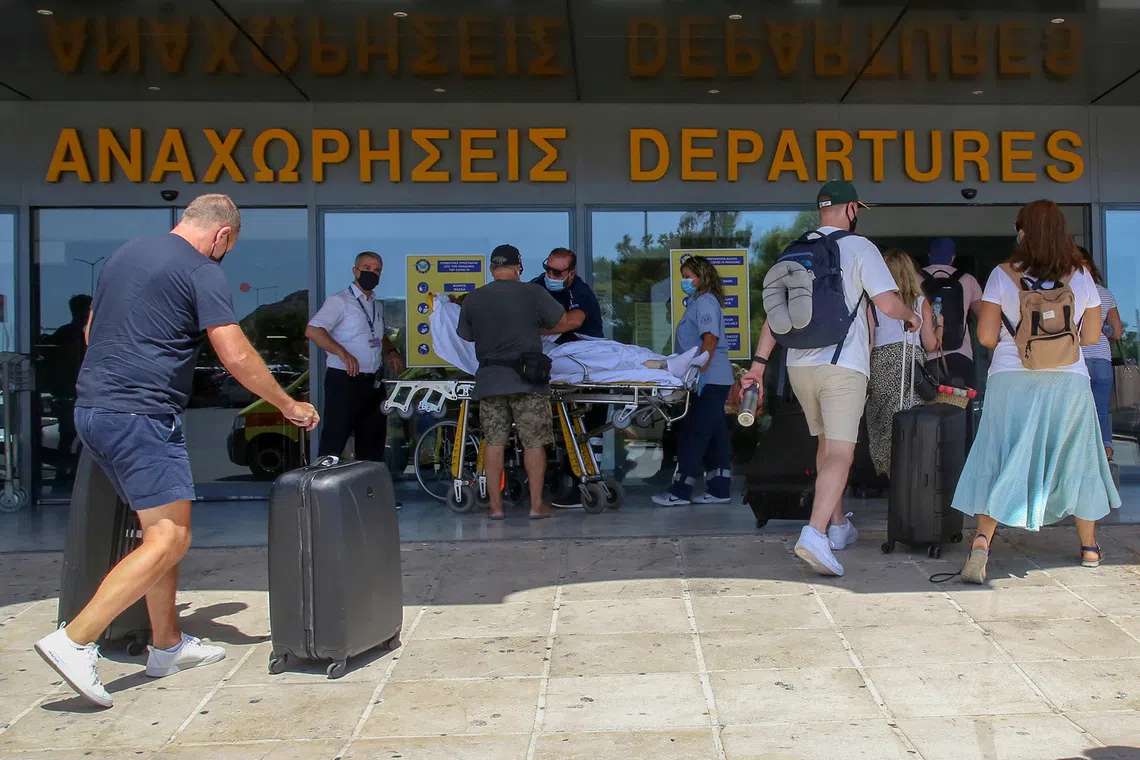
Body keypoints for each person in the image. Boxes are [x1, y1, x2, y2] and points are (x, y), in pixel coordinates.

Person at [34, 194, 319, 708]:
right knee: (170, 537)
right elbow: (232, 352)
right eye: (227, 248)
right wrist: (285, 403)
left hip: (94, 410)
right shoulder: (201, 270)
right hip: (140, 416)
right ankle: (75, 641)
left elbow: (91, 329)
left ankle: (165, 644)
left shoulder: (127, 255)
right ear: (222, 236)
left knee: (158, 530)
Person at [742, 180, 918, 577]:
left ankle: (838, 526)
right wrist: (914, 317)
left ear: (821, 209)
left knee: (825, 444)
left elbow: (775, 314)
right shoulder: (859, 247)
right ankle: (815, 534)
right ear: (851, 209)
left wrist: (757, 365)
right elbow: (888, 304)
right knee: (842, 452)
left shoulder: (794, 249)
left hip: (798, 366)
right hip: (842, 365)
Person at [954, 200, 1120, 584]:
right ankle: (1090, 546)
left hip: (1012, 380)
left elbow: (986, 337)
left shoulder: (1002, 274)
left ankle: (982, 541)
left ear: (1024, 231)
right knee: (1078, 458)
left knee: (1000, 454)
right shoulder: (1081, 277)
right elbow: (1093, 336)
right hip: (1068, 382)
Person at [457, 244, 576, 520]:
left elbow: (466, 335)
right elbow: (561, 320)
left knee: (494, 441)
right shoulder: (533, 293)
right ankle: (536, 506)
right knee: (534, 442)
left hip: (490, 381)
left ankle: (496, 507)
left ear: (491, 268)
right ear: (518, 266)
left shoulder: (474, 298)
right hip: (528, 380)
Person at [306, 252, 405, 466]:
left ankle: (369, 497)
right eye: (367, 268)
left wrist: (391, 351)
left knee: (372, 444)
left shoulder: (376, 305)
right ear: (355, 271)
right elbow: (313, 330)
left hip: (372, 383)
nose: (372, 273)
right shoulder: (340, 301)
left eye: (377, 270)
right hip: (344, 381)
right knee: (335, 440)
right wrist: (343, 353)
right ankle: (320, 494)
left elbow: (378, 336)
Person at [652, 255, 734, 506]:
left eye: (688, 277)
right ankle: (720, 488)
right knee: (715, 433)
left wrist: (698, 370)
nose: (684, 281)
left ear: (701, 277)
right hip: (712, 378)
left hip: (708, 379)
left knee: (693, 433)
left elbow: (710, 339)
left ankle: (680, 490)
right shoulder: (698, 302)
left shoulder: (705, 302)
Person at [530, 247, 607, 507]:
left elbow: (573, 321)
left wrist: (535, 330)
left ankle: (587, 484)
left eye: (557, 271)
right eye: (547, 268)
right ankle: (565, 481)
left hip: (588, 366)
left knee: (588, 431)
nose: (550, 274)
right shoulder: (537, 286)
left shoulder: (580, 292)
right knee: (562, 431)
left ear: (571, 273)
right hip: (559, 367)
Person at [865, 250, 940, 477]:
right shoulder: (920, 303)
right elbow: (930, 344)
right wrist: (941, 326)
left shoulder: (873, 302)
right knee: (910, 421)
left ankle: (892, 477)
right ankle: (912, 480)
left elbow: (868, 341)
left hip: (880, 363)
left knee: (885, 424)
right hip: (911, 364)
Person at [1078, 246, 1123, 463]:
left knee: (1077, 411)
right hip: (1102, 360)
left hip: (1077, 360)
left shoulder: (1068, 292)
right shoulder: (1105, 293)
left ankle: (1083, 456)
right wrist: (1101, 329)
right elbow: (1117, 331)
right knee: (1101, 410)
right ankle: (1105, 452)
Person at [922, 237, 983, 386]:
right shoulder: (968, 280)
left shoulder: (915, 278)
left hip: (926, 356)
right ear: (953, 257)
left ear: (929, 255)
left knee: (926, 406)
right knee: (960, 402)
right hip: (961, 353)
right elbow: (983, 315)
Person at [46, 294, 92, 482]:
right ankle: (65, 476)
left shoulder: (71, 334)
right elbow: (71, 367)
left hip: (71, 393)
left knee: (70, 436)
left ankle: (66, 475)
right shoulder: (71, 336)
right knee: (71, 436)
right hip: (71, 395)